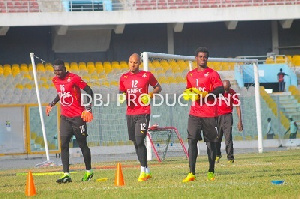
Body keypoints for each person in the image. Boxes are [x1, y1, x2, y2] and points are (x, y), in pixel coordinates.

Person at [46, 59, 94, 184]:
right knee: (63, 144)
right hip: (65, 117)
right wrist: (52, 103)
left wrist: (88, 109)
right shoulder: (55, 80)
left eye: (60, 70)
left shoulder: (74, 78)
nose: (57, 73)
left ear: (65, 69)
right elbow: (61, 93)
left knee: (82, 145)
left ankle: (89, 171)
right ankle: (66, 174)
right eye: (55, 71)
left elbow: (89, 91)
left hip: (78, 117)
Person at [182, 47, 224, 182]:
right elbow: (188, 89)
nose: (202, 59)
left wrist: (209, 94)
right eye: (200, 56)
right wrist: (188, 93)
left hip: (209, 114)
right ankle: (191, 173)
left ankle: (211, 171)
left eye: (205, 57)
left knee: (211, 144)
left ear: (207, 58)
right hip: (194, 114)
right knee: (192, 140)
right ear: (196, 58)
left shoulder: (212, 73)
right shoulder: (190, 75)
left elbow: (221, 89)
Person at [119, 53, 162, 182]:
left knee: (139, 140)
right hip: (130, 113)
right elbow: (122, 92)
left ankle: (142, 170)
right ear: (128, 62)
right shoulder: (123, 77)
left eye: (136, 62)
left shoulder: (147, 75)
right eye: (131, 62)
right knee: (135, 142)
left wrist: (150, 94)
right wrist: (122, 97)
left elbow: (158, 87)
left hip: (143, 112)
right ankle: (146, 170)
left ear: (139, 63)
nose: (133, 64)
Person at [215, 80, 243, 164]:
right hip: (217, 117)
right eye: (224, 89)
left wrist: (240, 121)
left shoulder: (232, 93)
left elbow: (237, 106)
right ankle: (217, 154)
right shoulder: (217, 93)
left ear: (230, 87)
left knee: (228, 138)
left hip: (227, 117)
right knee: (216, 138)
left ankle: (230, 158)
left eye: (227, 89)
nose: (226, 91)